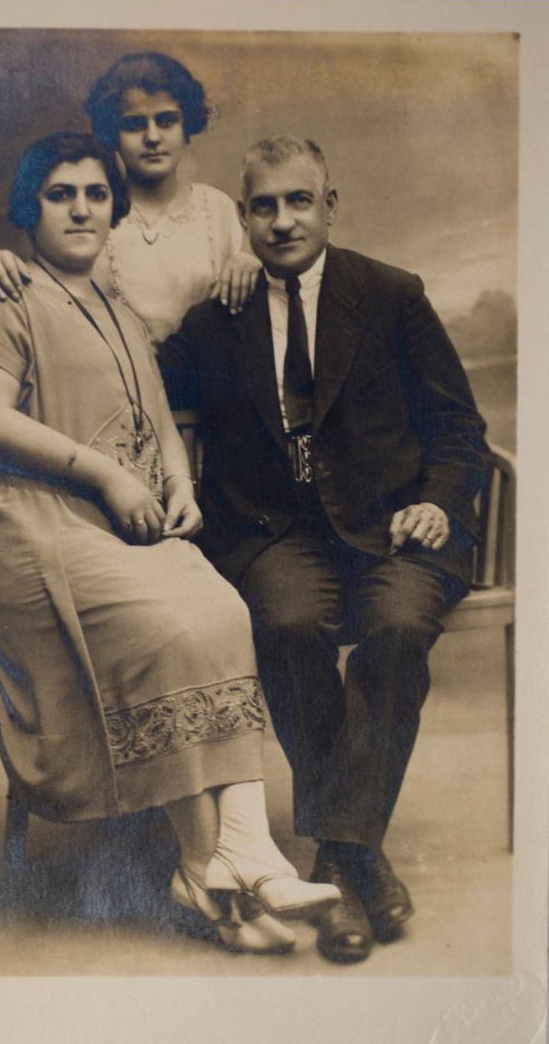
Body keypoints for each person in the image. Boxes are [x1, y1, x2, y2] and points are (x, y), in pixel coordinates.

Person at [0, 130, 339, 956]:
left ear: (114, 209)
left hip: (119, 524)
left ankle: (243, 852)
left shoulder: (119, 308)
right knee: (168, 628)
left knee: (221, 610)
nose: (81, 210)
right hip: (38, 528)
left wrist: (179, 485)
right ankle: (203, 867)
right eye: (61, 194)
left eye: (96, 194)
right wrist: (106, 475)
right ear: (31, 207)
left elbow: (160, 420)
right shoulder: (4, 296)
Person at [159, 135, 491, 964]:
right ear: (244, 219)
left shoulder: (389, 295)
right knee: (286, 623)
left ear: (330, 206)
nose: (282, 222)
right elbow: (130, 375)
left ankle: (339, 858)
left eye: (299, 201)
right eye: (264, 207)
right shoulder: (219, 317)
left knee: (398, 625)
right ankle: (358, 857)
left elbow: (459, 428)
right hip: (275, 532)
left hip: (394, 525)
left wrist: (437, 503)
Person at [0, 52, 261, 355]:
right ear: (112, 132)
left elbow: (260, 303)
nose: (152, 137)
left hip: (210, 379)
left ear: (186, 125)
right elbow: (48, 285)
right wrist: (1, 263)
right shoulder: (91, 211)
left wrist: (252, 263)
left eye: (166, 121)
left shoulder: (218, 208)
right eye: (134, 124)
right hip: (111, 377)